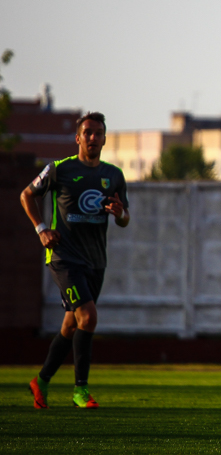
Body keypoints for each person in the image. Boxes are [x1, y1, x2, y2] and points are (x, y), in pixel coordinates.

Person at [21, 112, 130, 410]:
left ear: (104, 140)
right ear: (78, 138)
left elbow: (125, 218)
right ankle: (80, 390)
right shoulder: (59, 169)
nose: (93, 138)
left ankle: (41, 380)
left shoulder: (114, 175)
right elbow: (27, 195)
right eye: (88, 132)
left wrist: (119, 213)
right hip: (64, 258)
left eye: (98, 133)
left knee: (71, 325)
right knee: (88, 317)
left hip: (96, 260)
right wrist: (41, 229)